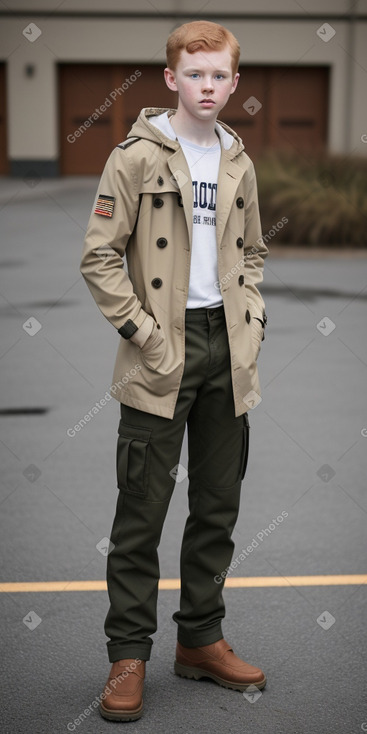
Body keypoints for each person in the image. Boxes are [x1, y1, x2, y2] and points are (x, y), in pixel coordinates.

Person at [80, 19, 268, 722]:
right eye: (195, 74)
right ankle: (127, 654)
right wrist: (144, 334)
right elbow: (99, 256)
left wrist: (249, 316)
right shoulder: (134, 156)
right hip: (160, 349)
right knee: (140, 515)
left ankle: (200, 640)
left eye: (220, 75)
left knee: (217, 508)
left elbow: (252, 250)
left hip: (228, 349)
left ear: (234, 82)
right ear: (170, 79)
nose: (208, 86)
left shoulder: (238, 161)